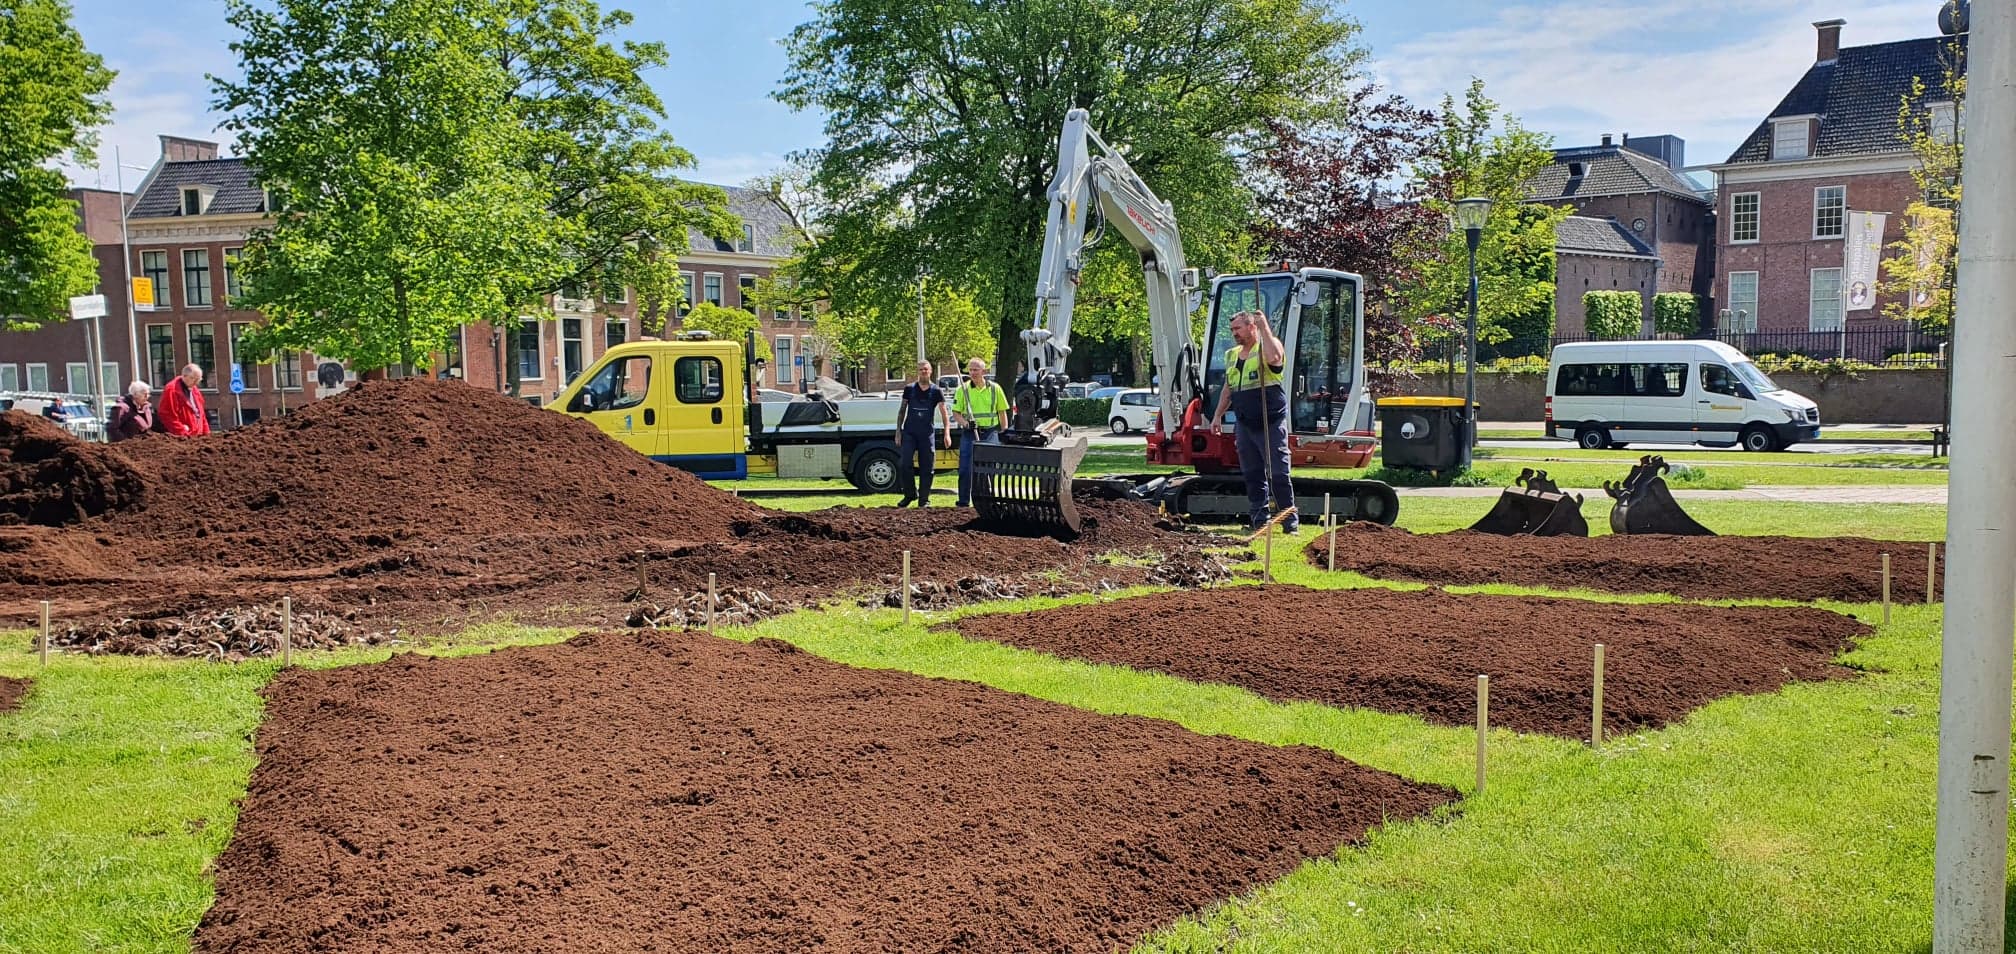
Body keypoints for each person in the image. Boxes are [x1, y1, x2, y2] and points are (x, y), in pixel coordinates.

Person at [1209, 309, 1298, 533]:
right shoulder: (1231, 355)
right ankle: (1259, 520)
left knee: (1278, 472)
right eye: (1232, 330)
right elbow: (1229, 389)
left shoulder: (1267, 346)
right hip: (1245, 423)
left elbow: (1275, 359)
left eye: (1238, 328)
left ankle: (1289, 520)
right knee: (1252, 474)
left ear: (1252, 327)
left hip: (1271, 421)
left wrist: (1265, 327)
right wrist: (1218, 415)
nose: (1234, 333)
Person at [952, 357, 1010, 507]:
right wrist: (965, 424)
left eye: (975, 370)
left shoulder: (995, 388)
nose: (972, 373)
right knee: (965, 468)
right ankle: (963, 502)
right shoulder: (962, 389)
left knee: (987, 468)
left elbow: (1002, 413)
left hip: (990, 432)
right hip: (969, 433)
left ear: (983, 371)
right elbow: (956, 414)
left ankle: (987, 500)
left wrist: (1004, 434)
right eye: (970, 370)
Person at [895, 360, 953, 507]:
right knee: (904, 463)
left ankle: (924, 500)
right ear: (917, 371)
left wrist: (947, 433)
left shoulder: (936, 391)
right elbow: (902, 410)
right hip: (909, 432)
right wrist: (898, 432)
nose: (923, 372)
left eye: (926, 369)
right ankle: (910, 495)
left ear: (930, 371)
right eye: (921, 369)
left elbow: (944, 413)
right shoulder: (909, 389)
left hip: (926, 433)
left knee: (927, 467)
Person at [158, 364, 211, 437]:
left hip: (197, 436)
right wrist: (182, 432)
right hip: (183, 438)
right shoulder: (172, 390)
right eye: (194, 379)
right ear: (184, 376)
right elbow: (167, 415)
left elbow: (201, 414)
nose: (196, 382)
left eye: (198, 379)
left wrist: (206, 433)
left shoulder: (194, 390)